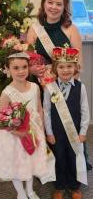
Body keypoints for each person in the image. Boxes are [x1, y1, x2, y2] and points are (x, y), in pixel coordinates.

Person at [26, 0, 92, 171]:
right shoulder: (34, 29)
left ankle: (76, 162)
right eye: (50, 2)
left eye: (59, 4)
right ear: (43, 4)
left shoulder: (71, 29)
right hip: (41, 85)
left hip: (65, 87)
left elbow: (78, 64)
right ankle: (47, 166)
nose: (54, 7)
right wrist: (34, 69)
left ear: (64, 7)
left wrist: (59, 75)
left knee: (68, 123)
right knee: (46, 125)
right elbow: (28, 61)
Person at [0, 50, 48, 199]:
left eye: (24, 67)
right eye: (16, 68)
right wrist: (18, 132)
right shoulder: (7, 93)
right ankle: (20, 193)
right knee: (16, 164)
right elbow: (2, 120)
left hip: (33, 131)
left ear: (28, 68)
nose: (21, 71)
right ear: (8, 70)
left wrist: (40, 127)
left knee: (30, 162)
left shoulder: (34, 87)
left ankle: (30, 190)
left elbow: (39, 107)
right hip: (14, 136)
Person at [43, 47, 90, 199]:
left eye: (69, 66)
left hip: (75, 132)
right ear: (55, 68)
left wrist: (83, 132)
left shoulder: (81, 87)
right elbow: (46, 111)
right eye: (61, 67)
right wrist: (49, 132)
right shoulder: (50, 87)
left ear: (75, 67)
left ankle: (74, 186)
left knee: (74, 157)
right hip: (56, 132)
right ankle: (60, 186)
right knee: (59, 158)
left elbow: (85, 111)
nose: (65, 70)